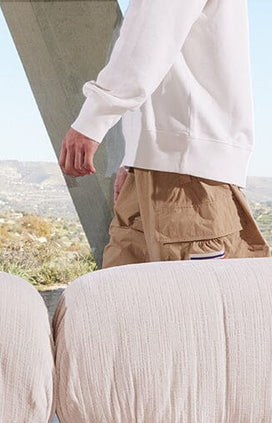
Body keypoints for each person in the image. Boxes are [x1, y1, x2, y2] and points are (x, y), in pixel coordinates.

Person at [59, 0, 270, 267]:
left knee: (193, 303)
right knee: (125, 300)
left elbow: (148, 37)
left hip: (185, 175)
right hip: (169, 167)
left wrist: (93, 119)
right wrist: (139, 154)